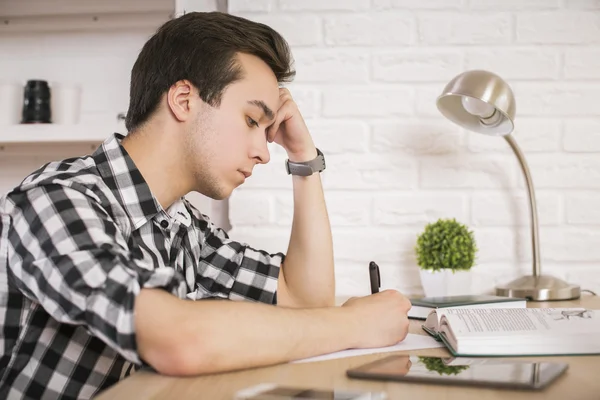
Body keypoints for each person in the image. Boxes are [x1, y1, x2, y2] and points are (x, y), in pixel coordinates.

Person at [0, 11, 411, 400]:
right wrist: (355, 324)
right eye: (252, 121)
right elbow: (177, 339)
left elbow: (304, 298)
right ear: (183, 100)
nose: (264, 152)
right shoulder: (56, 199)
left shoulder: (181, 226)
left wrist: (304, 159)